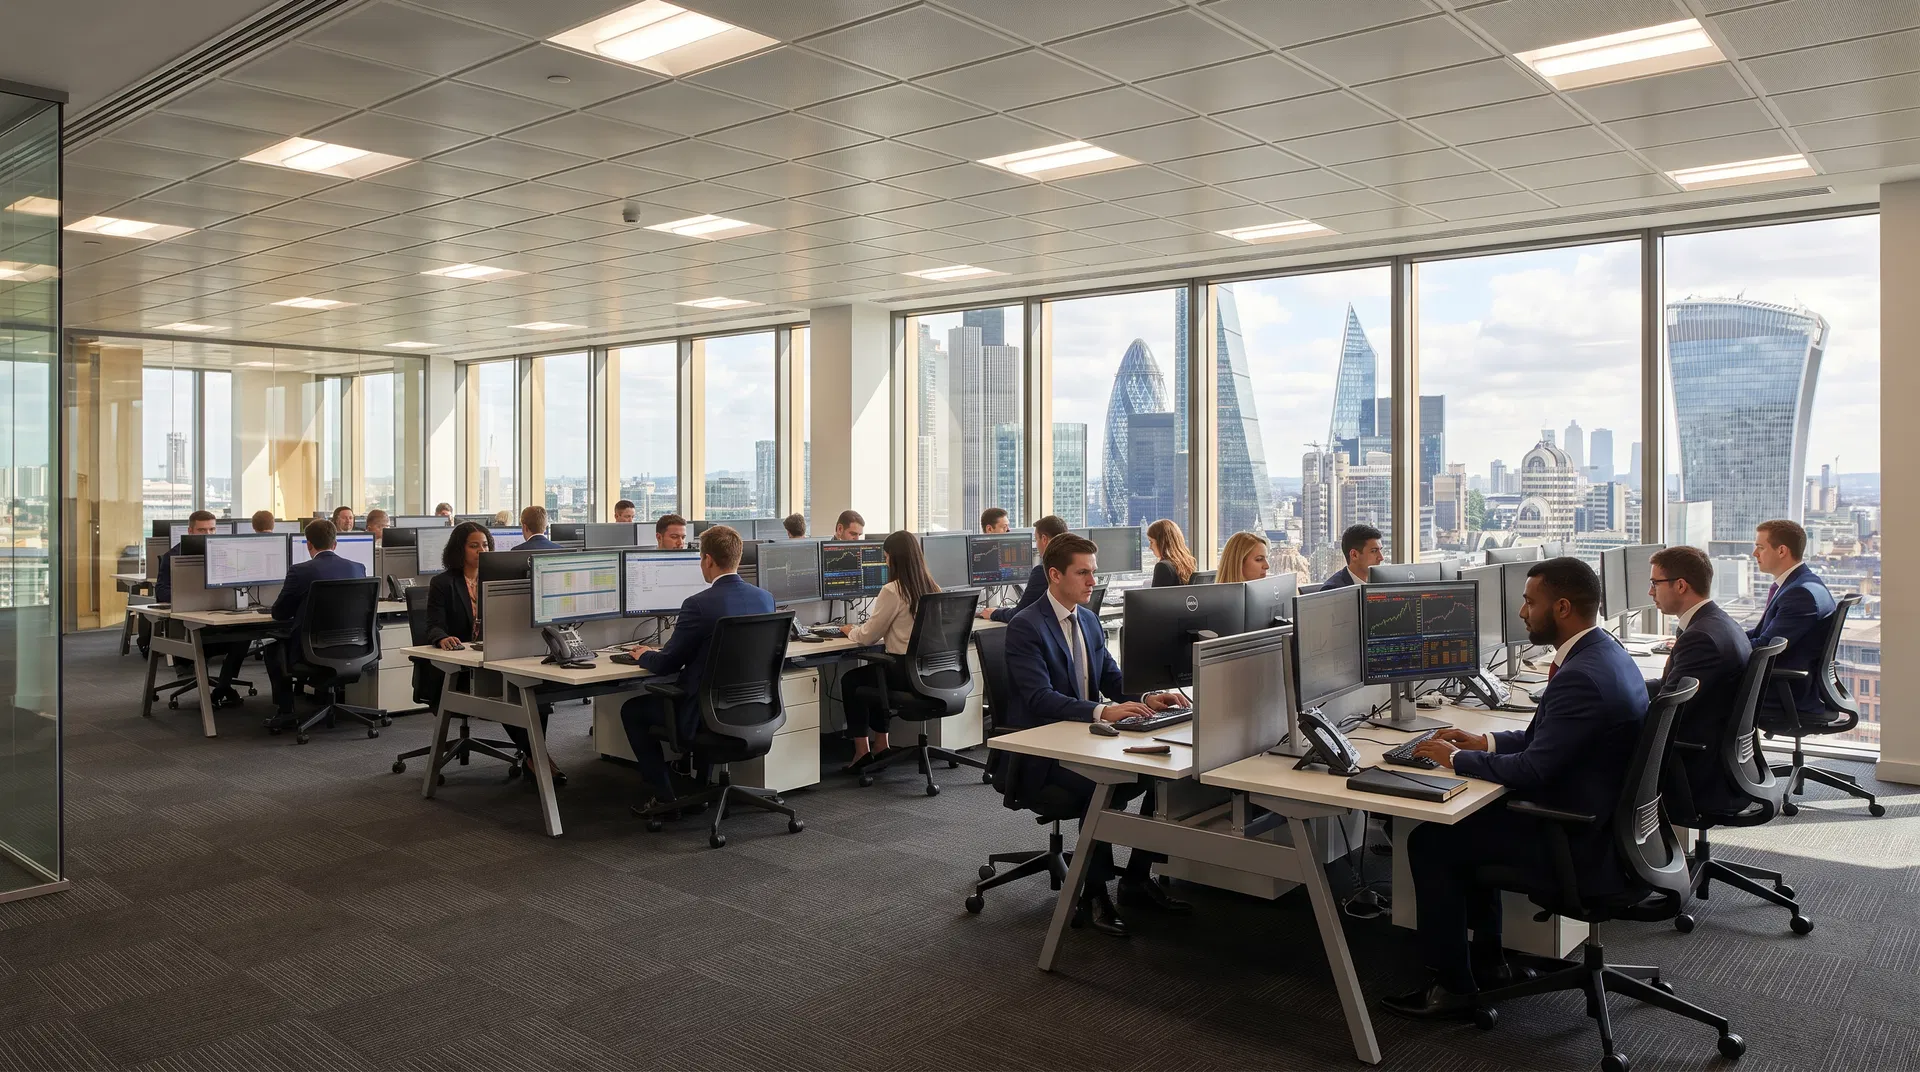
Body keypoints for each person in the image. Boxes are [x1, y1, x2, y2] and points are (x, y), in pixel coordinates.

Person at [1387, 557, 1648, 1018]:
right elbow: (1547, 739)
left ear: (1562, 607)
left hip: (1579, 839)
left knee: (1432, 841)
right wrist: (1482, 740)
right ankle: (1490, 966)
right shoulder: (1603, 653)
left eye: (1530, 602)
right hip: (1606, 822)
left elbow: (1532, 770)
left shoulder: (1581, 677)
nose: (1523, 612)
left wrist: (1457, 760)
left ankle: (1454, 988)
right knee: (1471, 824)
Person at [1003, 533, 1192, 936]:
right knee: (1099, 787)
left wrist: (1148, 696)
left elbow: (1111, 677)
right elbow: (1040, 699)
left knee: (1163, 777)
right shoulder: (1026, 626)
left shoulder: (1087, 619)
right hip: (1043, 751)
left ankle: (1136, 880)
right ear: (1054, 575)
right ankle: (1093, 892)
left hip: (1087, 736)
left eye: (1094, 572)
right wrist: (1103, 710)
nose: (1093, 581)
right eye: (1083, 573)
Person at [618, 525, 774, 809]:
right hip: (755, 709)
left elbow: (667, 663)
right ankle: (699, 783)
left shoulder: (698, 605)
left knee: (632, 710)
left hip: (706, 715)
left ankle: (664, 798)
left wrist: (643, 654)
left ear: (707, 560)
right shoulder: (765, 598)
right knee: (703, 689)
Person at [425, 521, 564, 783]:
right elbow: (433, 626)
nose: (481, 550)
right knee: (511, 696)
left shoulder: (500, 579)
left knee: (534, 692)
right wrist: (442, 638)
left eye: (486, 545)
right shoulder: (443, 583)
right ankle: (538, 759)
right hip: (463, 667)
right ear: (460, 549)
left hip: (498, 655)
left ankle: (535, 757)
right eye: (474, 545)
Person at [1646, 545, 1751, 818]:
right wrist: (1623, 688)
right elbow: (1671, 688)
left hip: (1699, 771)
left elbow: (1668, 713)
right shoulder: (1717, 622)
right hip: (1720, 757)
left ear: (1680, 585)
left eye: (1655, 583)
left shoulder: (1701, 638)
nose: (1650, 592)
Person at [836, 530, 937, 773]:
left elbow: (868, 636)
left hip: (903, 673)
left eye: (886, 557)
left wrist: (849, 630)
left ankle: (862, 752)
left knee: (852, 680)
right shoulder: (932, 586)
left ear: (893, 558)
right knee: (875, 674)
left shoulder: (893, 590)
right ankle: (882, 745)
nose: (885, 562)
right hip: (927, 672)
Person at [266, 519, 368, 721]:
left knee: (271, 649)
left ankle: (286, 712)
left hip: (313, 652)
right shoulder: (358, 568)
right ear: (335, 544)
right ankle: (324, 698)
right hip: (355, 647)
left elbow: (280, 614)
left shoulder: (300, 571)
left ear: (309, 544)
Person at [151, 510, 250, 706]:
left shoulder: (225, 554)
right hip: (191, 623)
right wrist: (192, 598)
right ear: (189, 531)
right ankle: (210, 694)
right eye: (202, 530)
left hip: (221, 616)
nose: (208, 534)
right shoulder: (174, 556)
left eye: (212, 529)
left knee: (246, 634)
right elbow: (161, 592)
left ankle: (222, 685)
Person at [1748, 519, 1837, 722]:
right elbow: (1761, 633)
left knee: (1704, 690)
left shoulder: (1800, 594)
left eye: (1760, 547)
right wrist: (1720, 641)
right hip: (1787, 685)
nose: (1755, 554)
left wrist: (1719, 651)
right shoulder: (1802, 583)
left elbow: (1765, 648)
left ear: (1782, 551)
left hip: (1786, 692)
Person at [980, 515, 1066, 622]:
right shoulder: (1070, 565)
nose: (1036, 544)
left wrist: (994, 613)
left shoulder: (1043, 571)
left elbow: (1020, 613)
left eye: (1036, 539)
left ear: (1044, 539)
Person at [1319, 524, 1382, 590]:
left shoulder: (1381, 582)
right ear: (1354, 555)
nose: (1381, 558)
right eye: (1374, 551)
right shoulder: (1332, 590)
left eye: (1380, 550)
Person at [1146, 518, 1195, 587]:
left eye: (1151, 542)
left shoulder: (1163, 566)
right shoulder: (1188, 563)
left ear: (1162, 542)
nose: (1150, 547)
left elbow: (1156, 597)